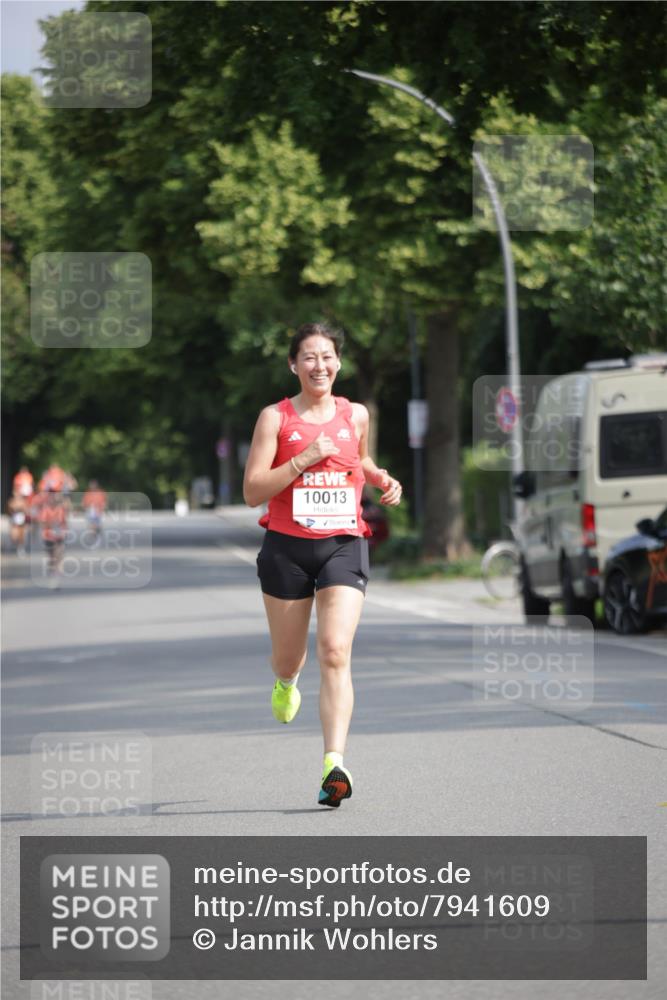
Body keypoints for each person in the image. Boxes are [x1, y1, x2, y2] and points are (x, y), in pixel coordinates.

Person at [243, 323, 403, 807]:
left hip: (343, 543)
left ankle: (334, 765)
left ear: (338, 363)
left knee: (335, 650)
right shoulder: (275, 418)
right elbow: (253, 491)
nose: (320, 366)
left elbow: (361, 459)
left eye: (328, 356)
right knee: (290, 658)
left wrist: (380, 478)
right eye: (309, 357)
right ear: (294, 365)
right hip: (286, 548)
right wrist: (303, 459)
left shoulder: (355, 414)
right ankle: (286, 681)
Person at [38, 488, 68, 587]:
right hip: (48, 537)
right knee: (52, 558)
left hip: (59, 536)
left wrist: (64, 531)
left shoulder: (61, 508)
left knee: (58, 556)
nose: (53, 498)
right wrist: (49, 525)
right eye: (51, 496)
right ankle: (52, 573)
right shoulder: (45, 509)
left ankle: (56, 578)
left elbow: (64, 522)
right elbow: (42, 522)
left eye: (54, 495)